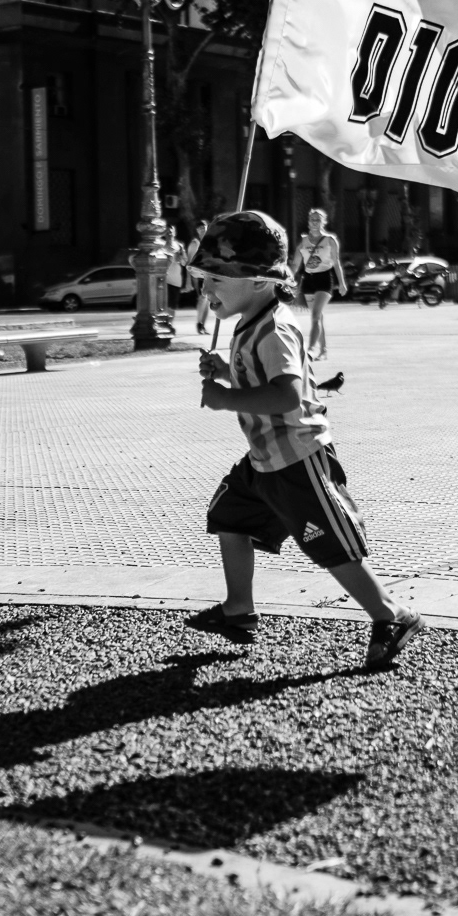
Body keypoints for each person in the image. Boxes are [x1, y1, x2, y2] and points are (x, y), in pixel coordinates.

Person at [185, 210, 424, 669]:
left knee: (329, 545)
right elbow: (261, 377)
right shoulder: (250, 321)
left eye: (216, 278)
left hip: (297, 458)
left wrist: (224, 398)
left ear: (259, 280)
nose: (205, 290)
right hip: (263, 460)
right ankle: (238, 609)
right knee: (229, 517)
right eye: (203, 277)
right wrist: (226, 372)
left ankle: (392, 614)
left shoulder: (276, 328)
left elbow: (287, 395)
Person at [291, 207, 347, 360]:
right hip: (309, 280)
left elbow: (336, 263)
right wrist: (288, 280)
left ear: (324, 222)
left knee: (315, 315)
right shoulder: (303, 242)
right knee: (318, 317)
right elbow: (295, 265)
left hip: (324, 279)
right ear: (308, 222)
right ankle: (323, 350)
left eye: (318, 220)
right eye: (312, 219)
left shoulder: (330, 240)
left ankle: (310, 350)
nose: (315, 222)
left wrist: (341, 283)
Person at [186, 219, 211, 334]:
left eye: (204, 227)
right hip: (198, 275)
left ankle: (203, 325)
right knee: (202, 299)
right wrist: (190, 280)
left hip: (209, 275)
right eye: (200, 228)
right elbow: (189, 263)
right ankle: (199, 324)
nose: (202, 229)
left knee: (208, 300)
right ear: (197, 230)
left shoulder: (209, 243)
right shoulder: (195, 244)